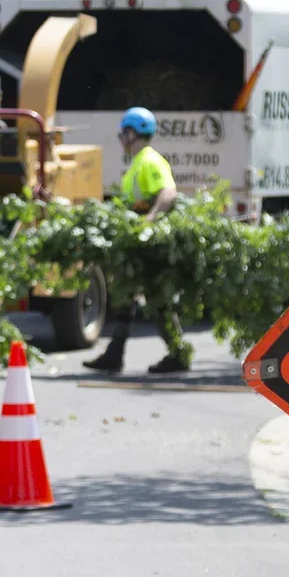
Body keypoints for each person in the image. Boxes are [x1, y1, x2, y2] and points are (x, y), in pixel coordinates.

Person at [83, 106, 192, 375]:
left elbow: (168, 193)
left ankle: (177, 354)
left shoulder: (149, 161)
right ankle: (115, 355)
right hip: (138, 243)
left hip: (149, 244)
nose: (121, 139)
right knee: (128, 296)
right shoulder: (137, 162)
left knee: (154, 300)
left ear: (132, 133)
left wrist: (149, 222)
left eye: (123, 133)